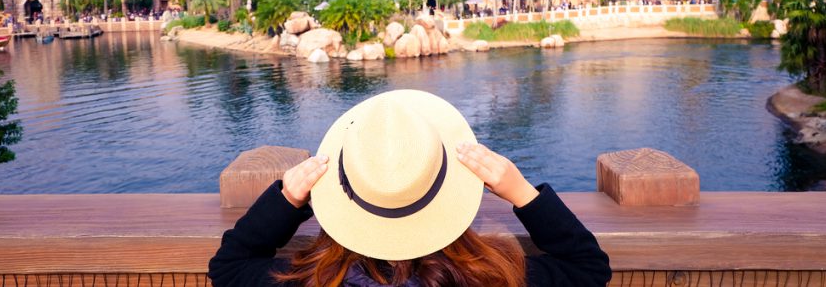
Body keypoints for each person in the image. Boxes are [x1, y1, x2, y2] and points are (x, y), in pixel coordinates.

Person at [209, 90, 611, 287]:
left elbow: (227, 266)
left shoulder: (308, 280)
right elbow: (589, 267)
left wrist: (288, 200)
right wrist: (522, 192)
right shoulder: (493, 277)